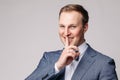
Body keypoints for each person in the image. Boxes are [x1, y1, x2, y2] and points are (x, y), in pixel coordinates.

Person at [25, 4, 118, 80]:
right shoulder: (48, 58)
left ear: (85, 27)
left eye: (72, 27)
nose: (66, 33)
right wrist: (58, 66)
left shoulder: (103, 64)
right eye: (62, 26)